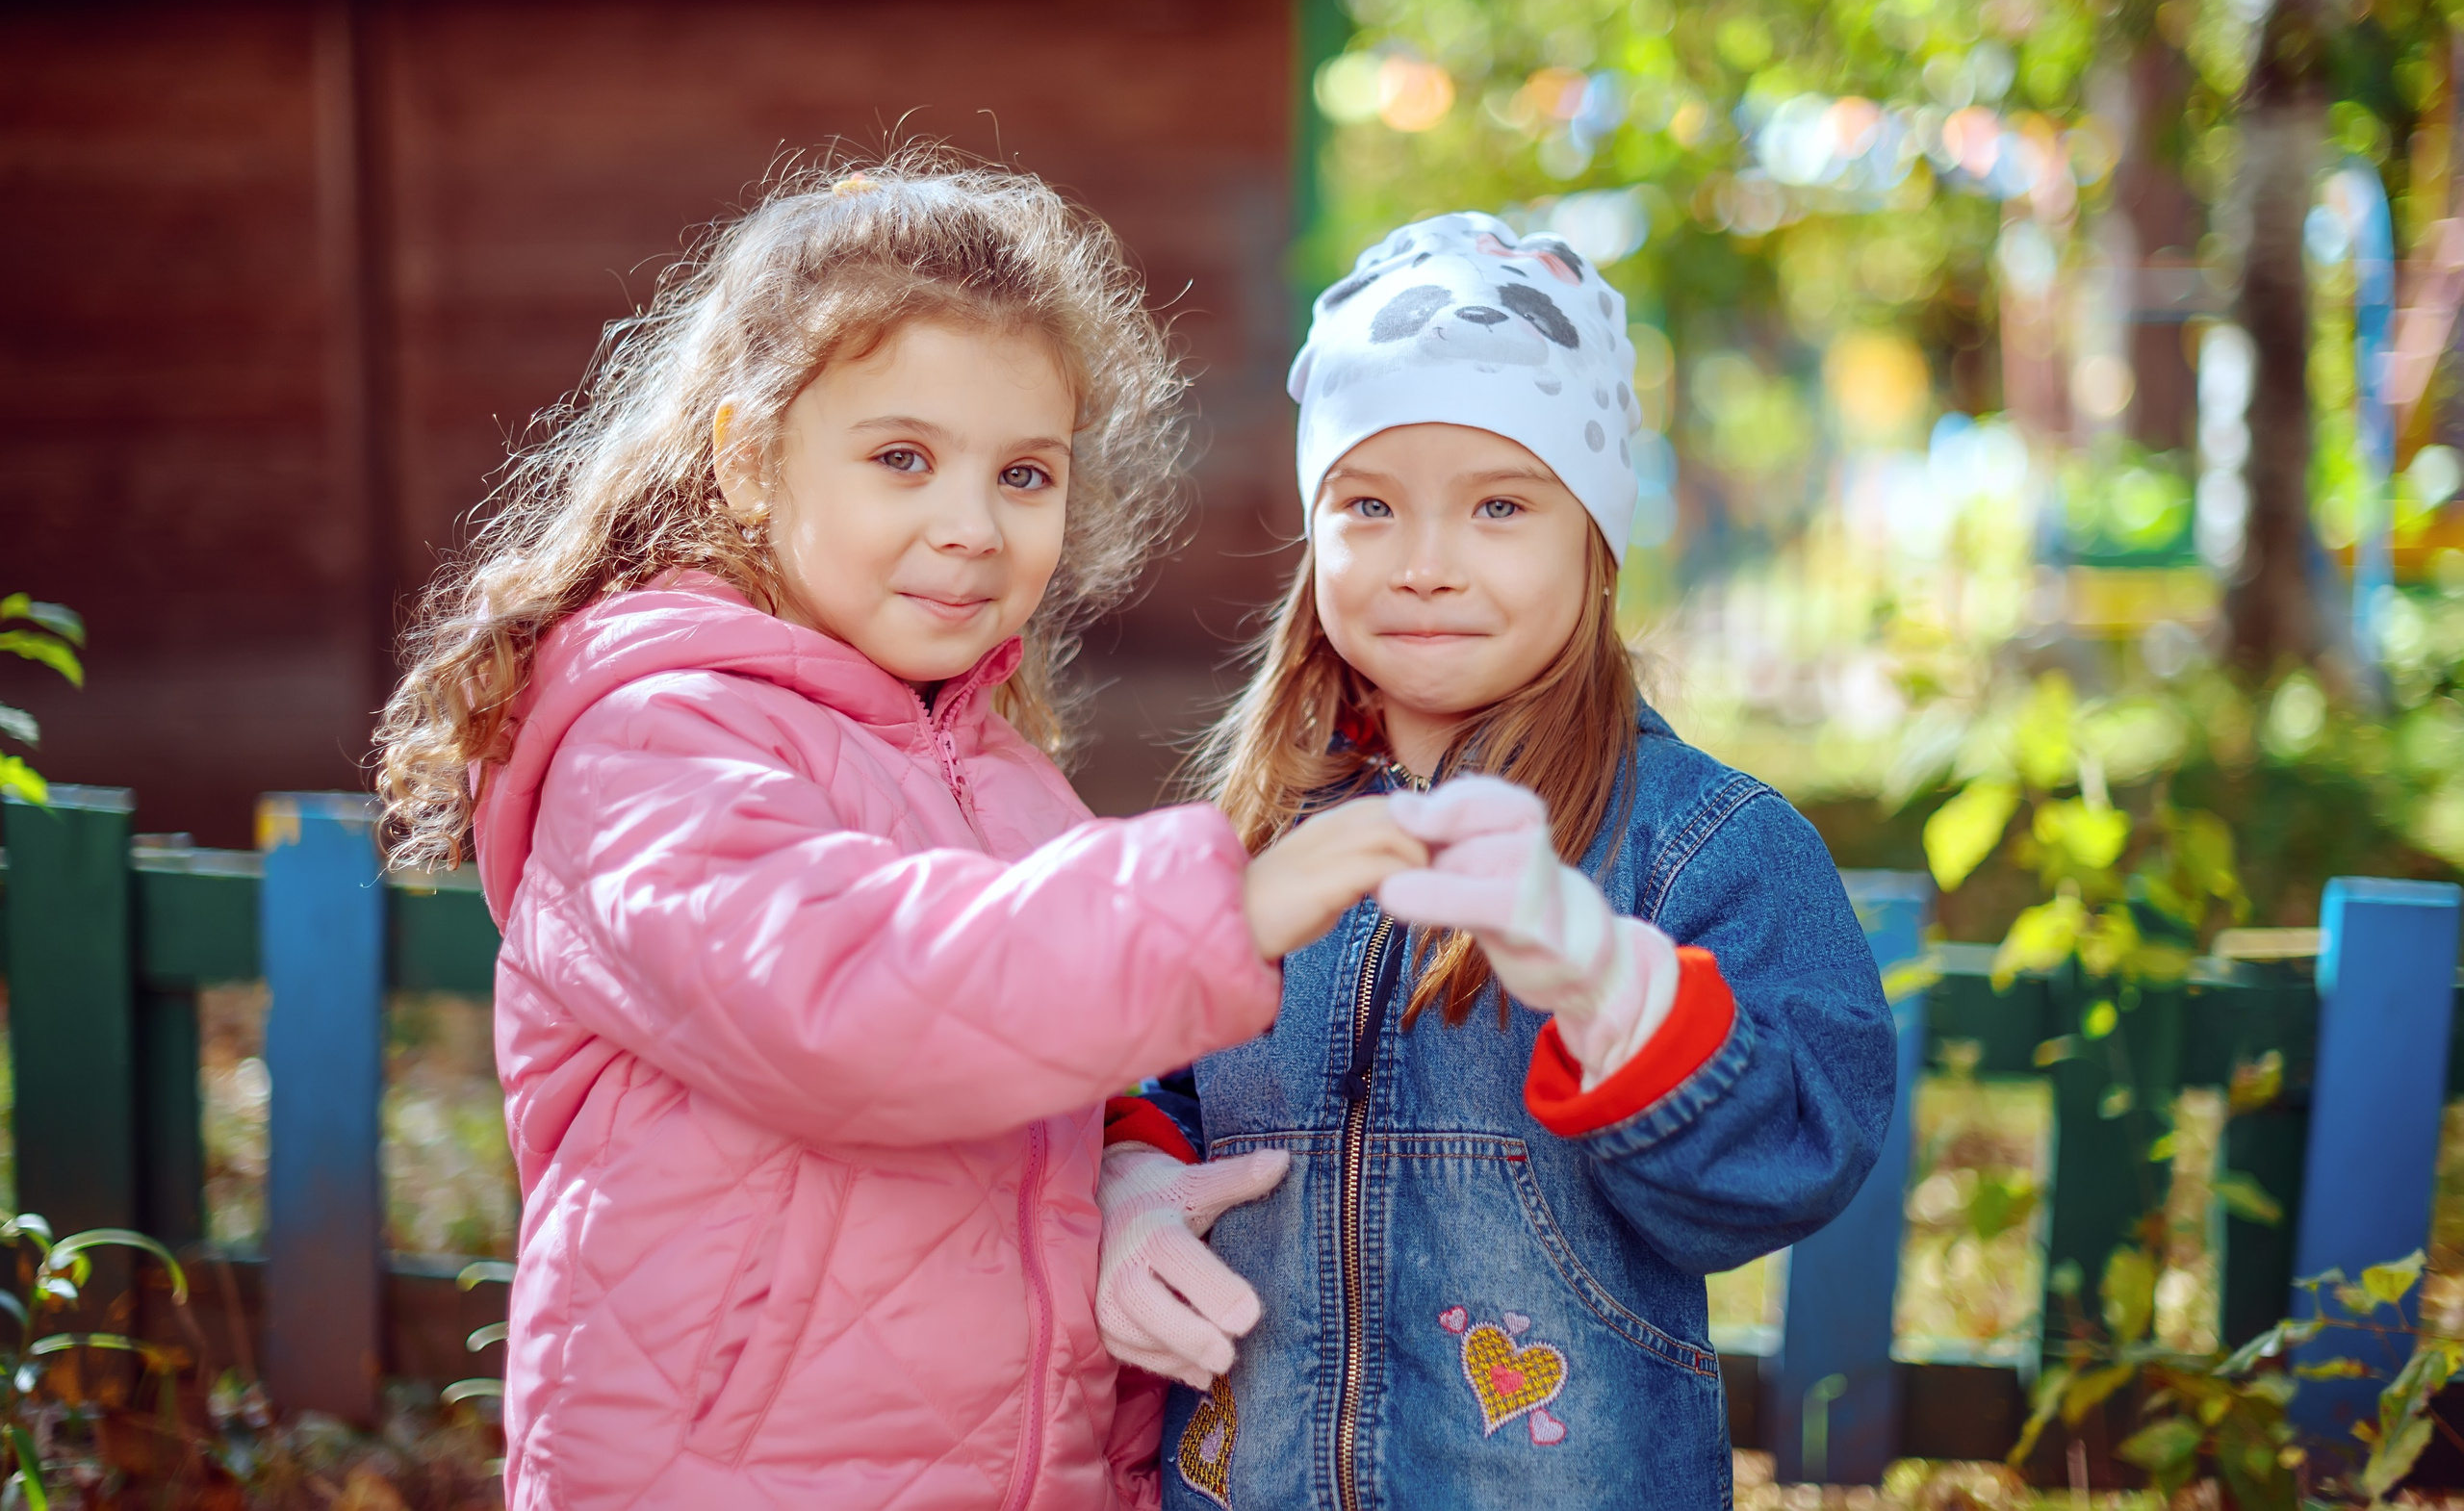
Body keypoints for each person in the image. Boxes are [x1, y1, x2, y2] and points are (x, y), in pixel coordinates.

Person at [372, 160, 1430, 1511]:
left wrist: (1129, 1180)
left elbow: (1042, 1061)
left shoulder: (1005, 779)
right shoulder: (652, 746)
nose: (971, 528)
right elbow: (855, 994)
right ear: (749, 459)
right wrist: (1233, 904)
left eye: (1025, 473)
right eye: (902, 460)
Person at [1091, 212, 1898, 1509]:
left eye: (1500, 505)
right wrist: (1131, 1184)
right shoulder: (1251, 837)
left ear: (1597, 539)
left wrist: (1606, 989)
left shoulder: (1709, 844)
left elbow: (1794, 1162)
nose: (1423, 563)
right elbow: (1145, 1073)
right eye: (1367, 505)